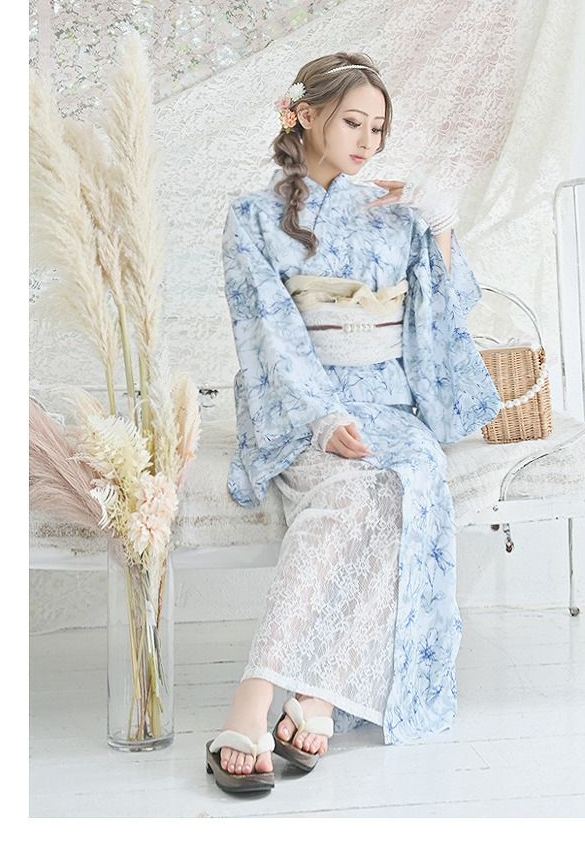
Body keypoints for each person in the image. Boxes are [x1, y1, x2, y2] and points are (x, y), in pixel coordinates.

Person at [206, 51, 501, 793]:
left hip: (389, 403)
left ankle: (316, 695)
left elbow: (446, 306)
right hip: (302, 403)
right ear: (304, 116)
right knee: (347, 491)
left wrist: (439, 222)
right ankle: (258, 694)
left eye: (378, 127)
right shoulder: (252, 217)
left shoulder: (394, 212)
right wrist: (321, 417)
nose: (368, 140)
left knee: (407, 481)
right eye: (352, 122)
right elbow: (268, 333)